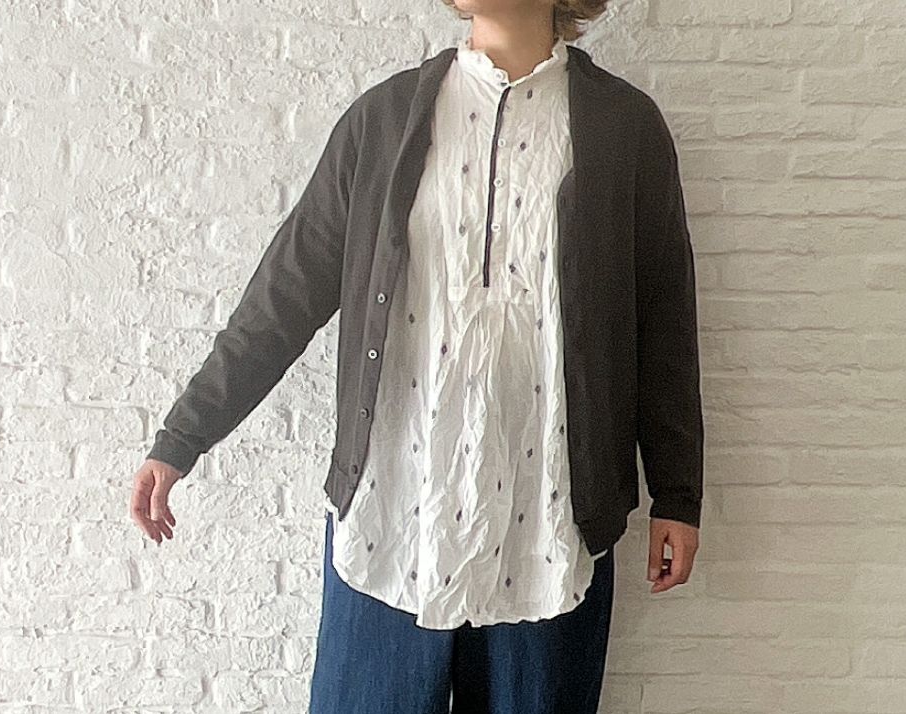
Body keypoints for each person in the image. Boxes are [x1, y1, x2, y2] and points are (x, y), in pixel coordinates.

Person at [130, 1, 704, 711]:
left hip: (548, 522)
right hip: (394, 516)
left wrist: (678, 493)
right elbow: (284, 297)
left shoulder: (625, 129)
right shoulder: (383, 121)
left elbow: (663, 321)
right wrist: (182, 437)